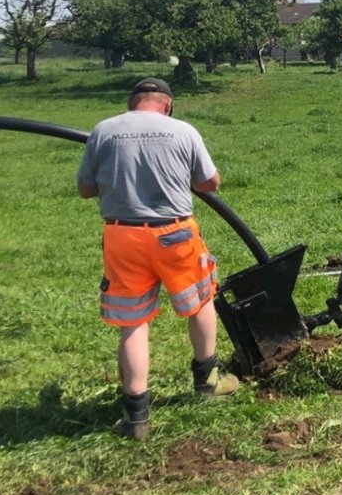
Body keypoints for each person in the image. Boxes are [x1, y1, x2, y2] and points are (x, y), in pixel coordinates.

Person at [76, 77, 239, 440]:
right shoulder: (182, 131)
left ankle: (136, 417)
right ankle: (208, 382)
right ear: (167, 104)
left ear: (131, 103)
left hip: (122, 236)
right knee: (200, 302)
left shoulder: (103, 131)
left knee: (133, 323)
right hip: (175, 235)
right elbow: (210, 183)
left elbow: (85, 190)